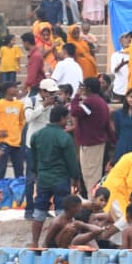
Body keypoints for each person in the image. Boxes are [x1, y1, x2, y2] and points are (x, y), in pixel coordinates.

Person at [28, 104, 81, 246]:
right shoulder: (64, 137)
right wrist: (76, 178)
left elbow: (33, 160)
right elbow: (72, 161)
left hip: (43, 179)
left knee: (39, 211)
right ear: (62, 118)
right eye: (67, 119)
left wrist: (37, 174)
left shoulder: (36, 135)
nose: (67, 122)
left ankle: (34, 243)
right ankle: (57, 244)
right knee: (61, 213)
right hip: (60, 179)